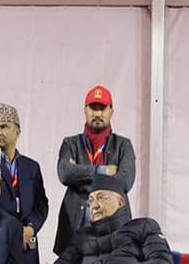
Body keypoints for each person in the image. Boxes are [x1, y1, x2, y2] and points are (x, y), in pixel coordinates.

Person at [49, 173, 174, 264]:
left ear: (120, 202)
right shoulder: (81, 237)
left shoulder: (144, 226)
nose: (94, 206)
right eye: (91, 201)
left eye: (101, 197)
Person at [54, 85, 136, 254]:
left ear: (111, 112)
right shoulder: (70, 143)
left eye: (102, 108)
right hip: (74, 226)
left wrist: (81, 177)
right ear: (85, 110)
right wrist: (103, 171)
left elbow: (125, 182)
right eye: (93, 108)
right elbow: (65, 173)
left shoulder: (124, 145)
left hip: (113, 228)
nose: (97, 114)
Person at [0, 103, 49, 264]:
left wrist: (31, 228)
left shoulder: (31, 167)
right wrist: (15, 232)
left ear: (17, 131)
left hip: (27, 247)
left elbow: (41, 204)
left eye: (4, 127)